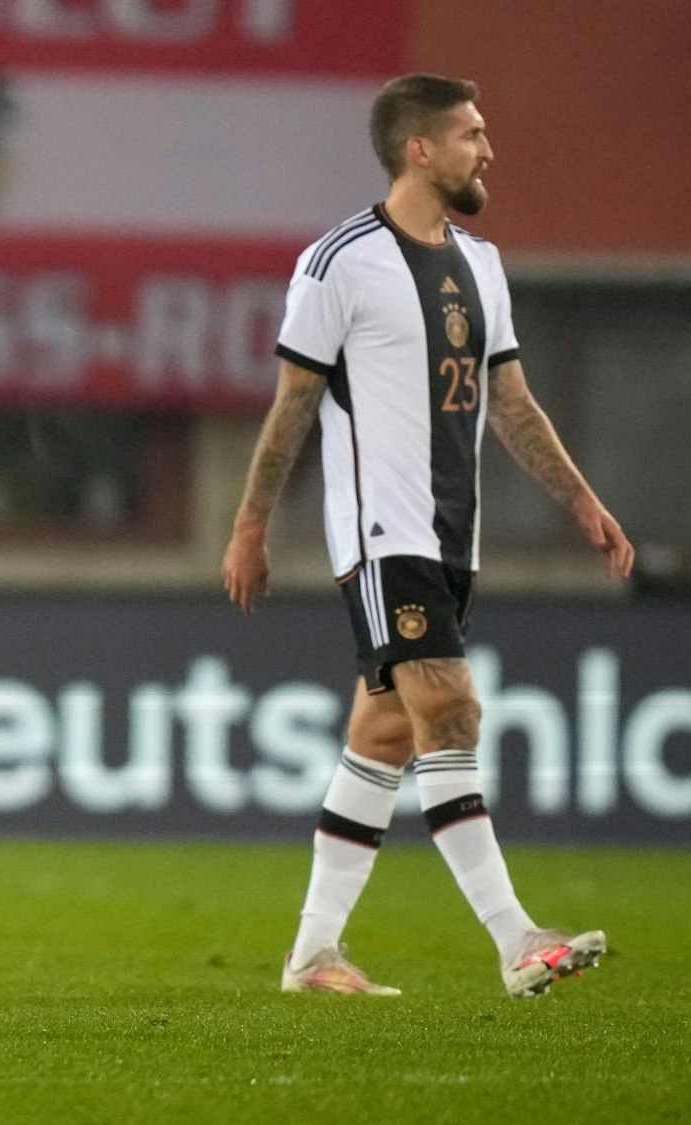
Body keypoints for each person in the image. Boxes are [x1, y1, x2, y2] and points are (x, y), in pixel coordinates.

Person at [222, 74, 633, 999]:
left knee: (385, 733)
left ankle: (312, 955)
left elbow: (512, 404)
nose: (489, 150)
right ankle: (517, 938)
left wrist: (581, 500)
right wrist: (251, 524)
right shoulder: (338, 262)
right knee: (451, 712)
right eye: (473, 134)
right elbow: (292, 404)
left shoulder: (481, 264)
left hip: (453, 539)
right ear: (420, 148)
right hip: (382, 533)